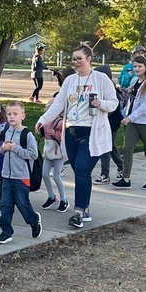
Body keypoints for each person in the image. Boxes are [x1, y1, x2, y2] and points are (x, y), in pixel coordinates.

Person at [37, 45, 118, 229]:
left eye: (79, 58)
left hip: (91, 132)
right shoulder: (70, 81)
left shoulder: (101, 79)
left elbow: (113, 103)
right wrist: (43, 119)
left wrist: (100, 103)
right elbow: (59, 104)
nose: (76, 62)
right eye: (73, 59)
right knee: (79, 171)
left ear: (89, 58)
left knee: (82, 169)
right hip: (71, 132)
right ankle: (85, 207)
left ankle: (79, 212)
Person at [0, 102, 41, 245]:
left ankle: (33, 220)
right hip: (6, 175)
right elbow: (1, 150)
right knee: (5, 204)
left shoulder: (27, 135)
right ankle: (6, 231)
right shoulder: (6, 132)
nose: (12, 117)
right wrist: (3, 147)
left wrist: (16, 148)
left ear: (23, 116)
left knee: (22, 204)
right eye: (9, 114)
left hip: (21, 176)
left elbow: (33, 154)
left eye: (15, 114)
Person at [115, 55, 146, 189]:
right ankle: (125, 178)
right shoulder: (135, 81)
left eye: (139, 66)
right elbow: (133, 98)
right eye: (135, 66)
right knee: (127, 148)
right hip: (133, 122)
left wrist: (130, 117)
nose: (136, 69)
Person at [39, 112, 68, 212]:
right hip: (49, 152)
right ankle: (52, 197)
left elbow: (65, 136)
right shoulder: (45, 121)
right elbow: (42, 132)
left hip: (58, 153)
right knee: (45, 174)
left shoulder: (60, 122)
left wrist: (56, 134)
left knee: (56, 176)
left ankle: (64, 199)